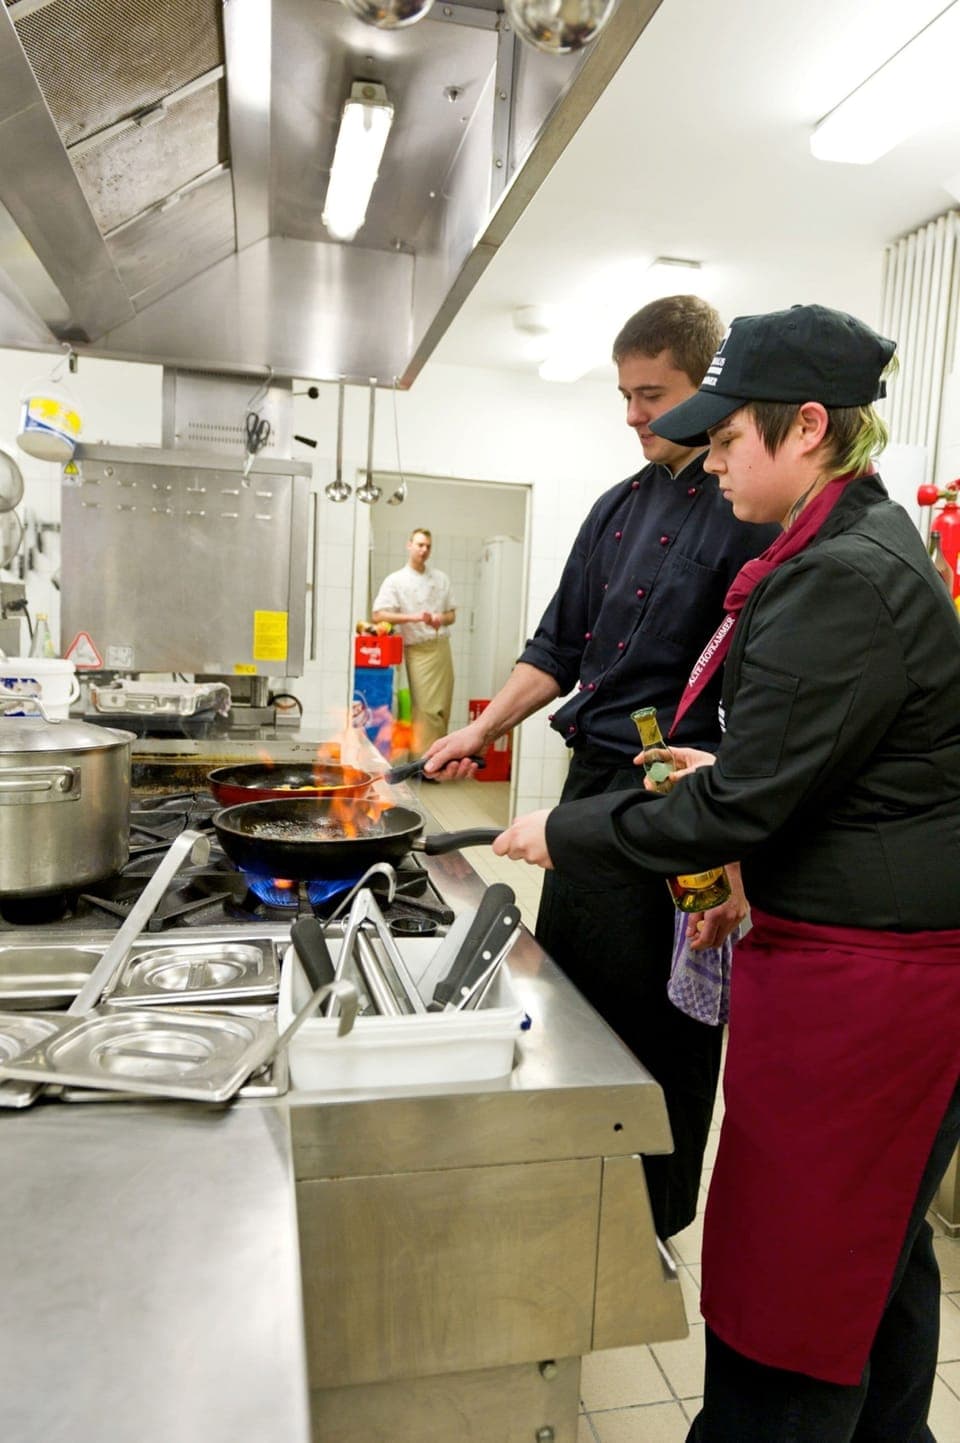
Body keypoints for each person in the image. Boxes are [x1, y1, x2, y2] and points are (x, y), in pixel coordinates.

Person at [492, 303, 960, 1442]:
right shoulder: (844, 551)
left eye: (729, 438)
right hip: (876, 964)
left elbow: (745, 804)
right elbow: (811, 766)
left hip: (872, 988)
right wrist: (730, 770)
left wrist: (569, 831)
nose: (710, 458)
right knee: (877, 1269)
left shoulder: (838, 573)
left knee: (795, 1290)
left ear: (807, 429)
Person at [424, 295, 778, 1238]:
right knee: (568, 993)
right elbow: (557, 645)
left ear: (708, 390)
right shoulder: (615, 508)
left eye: (651, 395)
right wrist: (480, 731)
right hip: (591, 790)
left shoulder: (749, 512)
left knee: (662, 1019)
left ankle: (647, 1220)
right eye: (623, 396)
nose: (632, 417)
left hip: (675, 801)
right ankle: (567, 1190)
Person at [372, 528, 456, 755]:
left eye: (428, 546)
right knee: (426, 708)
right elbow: (378, 615)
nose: (424, 550)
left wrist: (439, 618)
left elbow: (452, 615)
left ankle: (437, 759)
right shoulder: (396, 580)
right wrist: (413, 617)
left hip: (440, 647)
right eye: (420, 545)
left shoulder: (440, 578)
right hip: (416, 649)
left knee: (442, 708)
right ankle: (423, 761)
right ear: (409, 545)